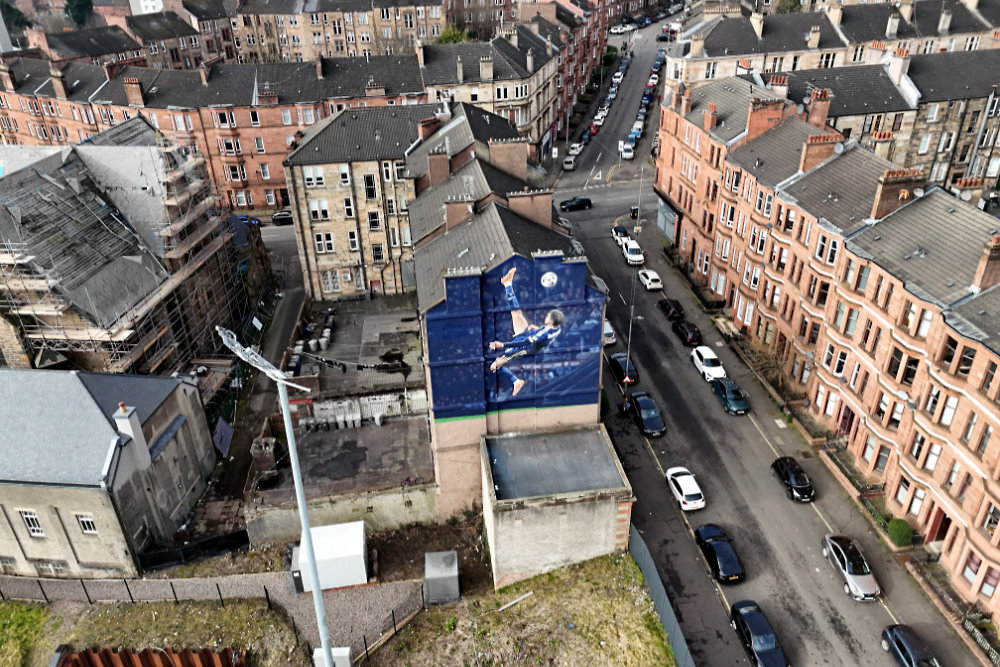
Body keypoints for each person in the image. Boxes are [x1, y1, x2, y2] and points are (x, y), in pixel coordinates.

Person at [489, 267, 564, 396]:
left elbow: (524, 342)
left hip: (523, 347)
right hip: (529, 337)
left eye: (547, 317)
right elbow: (544, 333)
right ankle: (507, 283)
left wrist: (503, 344)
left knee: (494, 366)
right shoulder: (557, 328)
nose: (545, 318)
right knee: (515, 313)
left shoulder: (544, 332)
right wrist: (535, 328)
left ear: (550, 322)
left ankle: (516, 381)